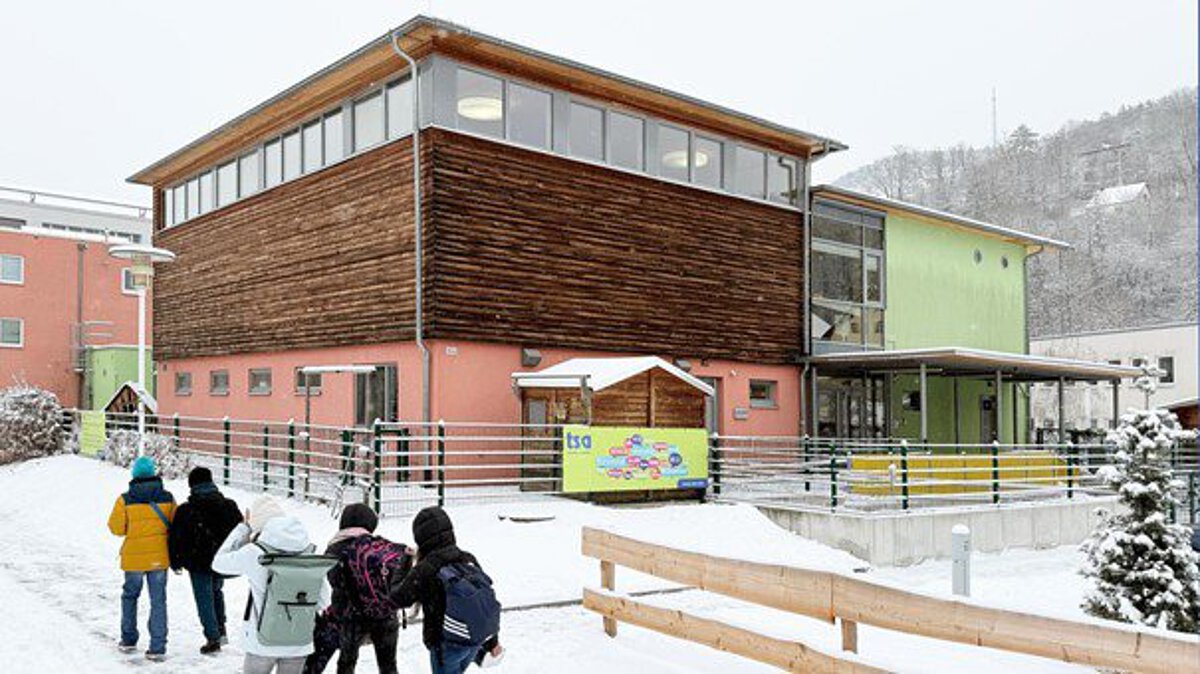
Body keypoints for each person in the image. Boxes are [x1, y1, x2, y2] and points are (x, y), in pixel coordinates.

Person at [213, 498, 332, 674]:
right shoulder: (309, 557)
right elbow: (324, 601)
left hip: (262, 641)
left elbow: (218, 563)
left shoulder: (255, 554)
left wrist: (243, 527)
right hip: (298, 642)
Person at [388, 506, 503, 674]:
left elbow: (397, 597)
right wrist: (492, 642)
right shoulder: (467, 558)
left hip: (446, 646)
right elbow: (482, 600)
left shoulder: (426, 568)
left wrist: (405, 561)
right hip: (473, 640)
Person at [306, 503, 410, 674]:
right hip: (385, 616)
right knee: (388, 665)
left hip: (351, 617)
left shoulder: (334, 549)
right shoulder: (378, 549)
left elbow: (334, 580)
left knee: (347, 663)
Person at [107, 455, 177, 662]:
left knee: (130, 596)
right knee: (158, 600)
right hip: (159, 558)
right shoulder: (168, 498)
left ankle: (128, 640)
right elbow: (176, 524)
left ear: (134, 475)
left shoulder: (125, 499)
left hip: (134, 559)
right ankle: (157, 647)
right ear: (154, 472)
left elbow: (116, 529)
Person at [168, 466, 244, 654]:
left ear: (192, 485)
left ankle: (213, 638)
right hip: (221, 560)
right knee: (217, 592)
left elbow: (176, 537)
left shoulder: (186, 510)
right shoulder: (229, 506)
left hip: (197, 562)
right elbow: (240, 531)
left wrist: (175, 561)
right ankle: (221, 629)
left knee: (204, 599)